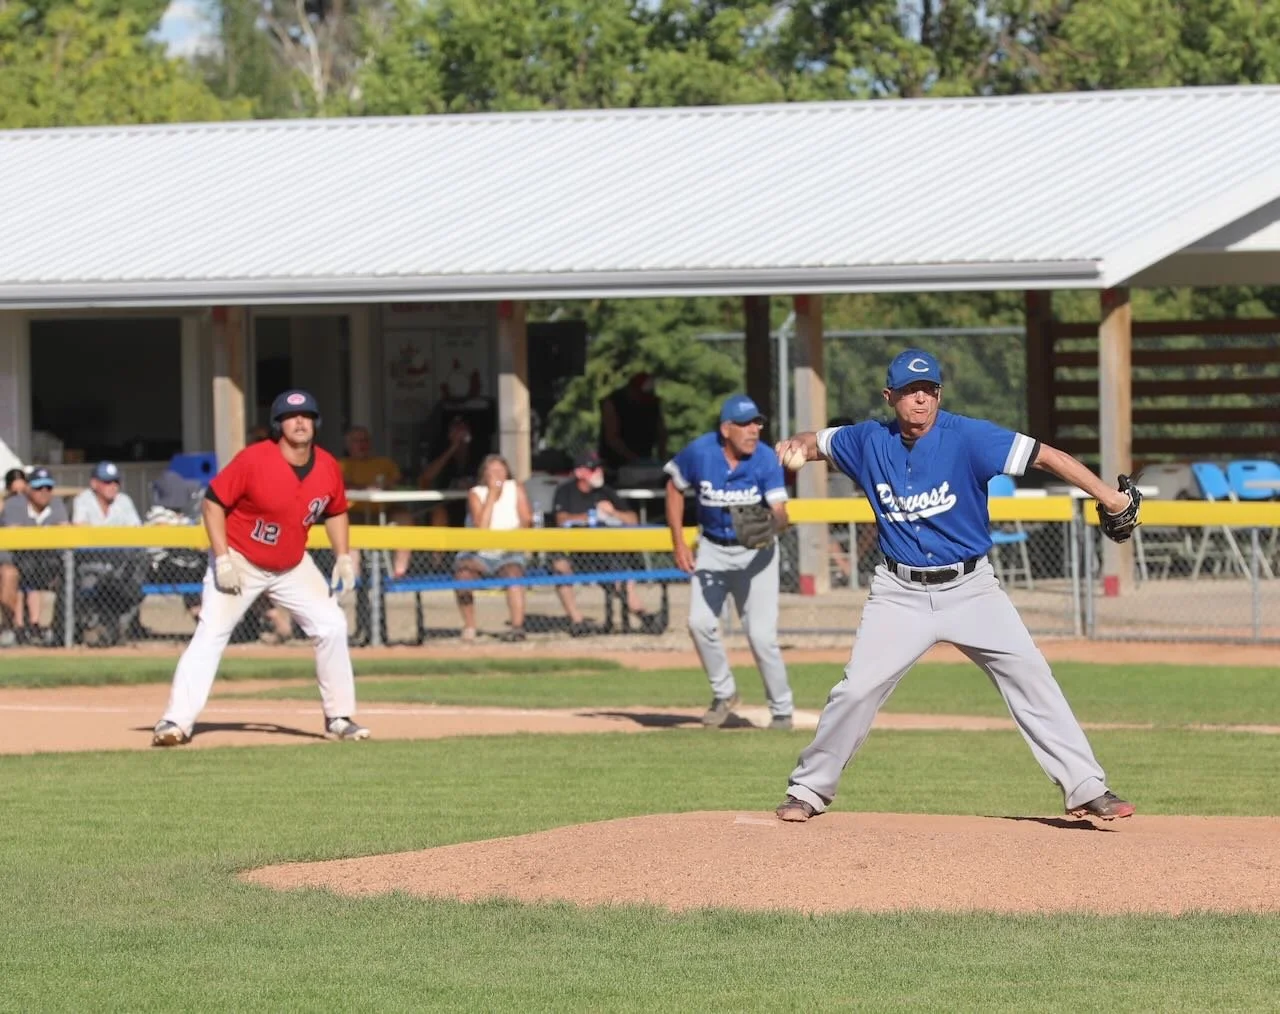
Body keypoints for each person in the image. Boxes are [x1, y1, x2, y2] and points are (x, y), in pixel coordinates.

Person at [773, 348, 1137, 824]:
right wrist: (796, 446)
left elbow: (1047, 457)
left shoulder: (970, 437)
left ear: (940, 395)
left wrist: (1109, 497)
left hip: (972, 590)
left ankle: (1087, 787)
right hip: (898, 593)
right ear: (889, 397)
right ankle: (807, 789)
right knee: (856, 690)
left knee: (1031, 675)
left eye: (929, 390)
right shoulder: (866, 440)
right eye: (910, 391)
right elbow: (815, 441)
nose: (920, 399)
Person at [151, 389, 369, 746]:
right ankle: (174, 722)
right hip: (240, 558)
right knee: (211, 633)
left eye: (306, 416)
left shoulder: (328, 466)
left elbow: (336, 511)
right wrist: (222, 558)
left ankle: (339, 717)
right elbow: (212, 504)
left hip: (292, 565)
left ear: (316, 422)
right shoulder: (254, 459)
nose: (299, 422)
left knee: (331, 625)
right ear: (278, 425)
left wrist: (343, 555)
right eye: (290, 417)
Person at [664, 394, 794, 729]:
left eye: (757, 423)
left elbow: (780, 511)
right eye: (745, 424)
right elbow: (674, 487)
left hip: (756, 553)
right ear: (726, 429)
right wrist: (678, 542)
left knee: (761, 636)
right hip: (712, 548)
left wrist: (776, 522)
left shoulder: (765, 459)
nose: (754, 430)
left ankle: (782, 709)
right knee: (699, 623)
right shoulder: (700, 452)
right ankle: (725, 693)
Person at [550, 449, 657, 636]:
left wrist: (613, 513)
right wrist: (590, 516)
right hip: (575, 552)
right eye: (593, 469)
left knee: (621, 575)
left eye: (599, 468)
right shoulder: (565, 491)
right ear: (580, 473)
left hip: (603, 552)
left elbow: (633, 519)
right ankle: (577, 621)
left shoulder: (605, 492)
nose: (599, 472)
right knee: (560, 567)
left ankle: (644, 615)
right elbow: (561, 519)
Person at [453, 453, 532, 642]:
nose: (497, 474)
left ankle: (517, 627)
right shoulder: (476, 493)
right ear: (485, 474)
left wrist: (516, 541)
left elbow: (526, 520)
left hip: (508, 552)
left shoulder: (516, 488)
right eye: (492, 470)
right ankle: (470, 626)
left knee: (514, 574)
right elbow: (482, 529)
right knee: (463, 576)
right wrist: (491, 496)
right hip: (479, 553)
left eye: (501, 470)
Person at [0, 467, 70, 647]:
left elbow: (64, 530)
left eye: (48, 487)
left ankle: (60, 631)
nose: (44, 492)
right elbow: (14, 535)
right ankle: (9, 629)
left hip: (46, 564)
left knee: (70, 575)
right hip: (18, 561)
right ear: (29, 489)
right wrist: (48, 531)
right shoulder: (15, 504)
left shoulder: (56, 504)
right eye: (39, 487)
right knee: (9, 574)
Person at [599, 372, 668, 481]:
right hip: (614, 464)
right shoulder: (614, 402)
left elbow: (662, 434)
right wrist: (633, 458)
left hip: (644, 462)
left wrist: (661, 460)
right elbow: (612, 438)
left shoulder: (652, 403)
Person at [417, 415, 478, 528]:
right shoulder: (440, 453)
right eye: (455, 430)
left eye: (462, 429)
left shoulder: (479, 452)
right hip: (447, 504)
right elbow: (426, 477)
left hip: (473, 503)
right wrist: (453, 447)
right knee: (439, 513)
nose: (459, 433)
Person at [71, 461, 142, 526]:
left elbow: (136, 528)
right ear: (94, 483)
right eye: (107, 482)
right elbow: (80, 528)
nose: (113, 486)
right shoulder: (83, 499)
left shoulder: (124, 500)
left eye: (116, 482)